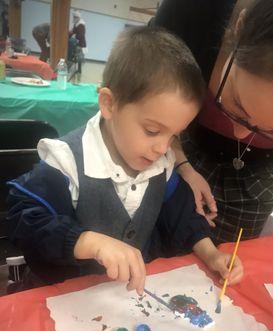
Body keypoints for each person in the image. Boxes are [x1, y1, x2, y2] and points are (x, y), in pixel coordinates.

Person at [7, 27, 243, 295]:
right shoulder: (67, 161)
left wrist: (211, 253)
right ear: (109, 104)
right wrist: (88, 242)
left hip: (124, 303)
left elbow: (183, 217)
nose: (163, 148)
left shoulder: (160, 165)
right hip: (63, 299)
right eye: (152, 131)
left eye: (174, 136)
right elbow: (26, 222)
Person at [151, 0, 273, 244]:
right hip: (179, 150)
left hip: (258, 179)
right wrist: (181, 164)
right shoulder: (194, 10)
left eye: (270, 129)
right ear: (238, 28)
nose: (240, 134)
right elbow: (145, 98)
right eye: (238, 105)